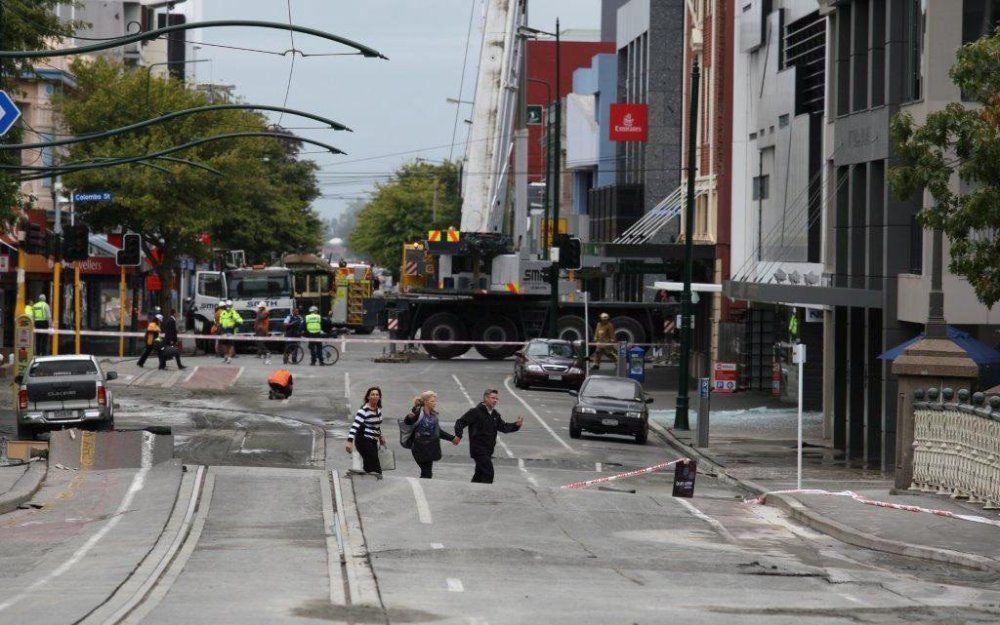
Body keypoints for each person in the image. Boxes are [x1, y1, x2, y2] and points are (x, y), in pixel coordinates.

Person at [454, 389, 523, 484]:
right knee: (489, 472)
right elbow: (460, 422)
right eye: (493, 398)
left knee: (479, 474)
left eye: (496, 398)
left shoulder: (495, 415)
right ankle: (485, 495)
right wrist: (458, 435)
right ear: (486, 398)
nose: (495, 400)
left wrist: (516, 425)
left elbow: (503, 427)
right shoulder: (475, 412)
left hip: (488, 450)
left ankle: (472, 491)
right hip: (478, 449)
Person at [404, 391, 460, 479]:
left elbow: (438, 431)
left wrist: (452, 438)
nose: (434, 403)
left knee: (427, 473)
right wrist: (408, 417)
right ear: (426, 402)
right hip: (419, 447)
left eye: (435, 401)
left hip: (429, 448)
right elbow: (408, 421)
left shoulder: (432, 415)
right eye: (432, 401)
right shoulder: (418, 412)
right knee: (427, 472)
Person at [346, 386, 385, 477]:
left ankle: (361, 481)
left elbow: (376, 425)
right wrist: (349, 441)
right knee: (375, 469)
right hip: (364, 441)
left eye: (377, 395)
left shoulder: (378, 410)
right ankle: (367, 482)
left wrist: (380, 436)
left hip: (373, 442)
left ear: (379, 397)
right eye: (372, 394)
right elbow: (354, 426)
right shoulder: (363, 411)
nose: (375, 396)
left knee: (371, 467)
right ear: (368, 397)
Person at [219, 300, 243, 364]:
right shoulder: (223, 312)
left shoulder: (233, 313)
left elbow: (240, 321)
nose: (228, 307)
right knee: (224, 344)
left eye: (229, 305)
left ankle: (229, 357)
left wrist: (234, 326)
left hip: (230, 330)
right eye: (227, 305)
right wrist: (220, 326)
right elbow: (220, 321)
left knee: (230, 344)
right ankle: (226, 356)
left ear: (231, 306)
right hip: (223, 330)